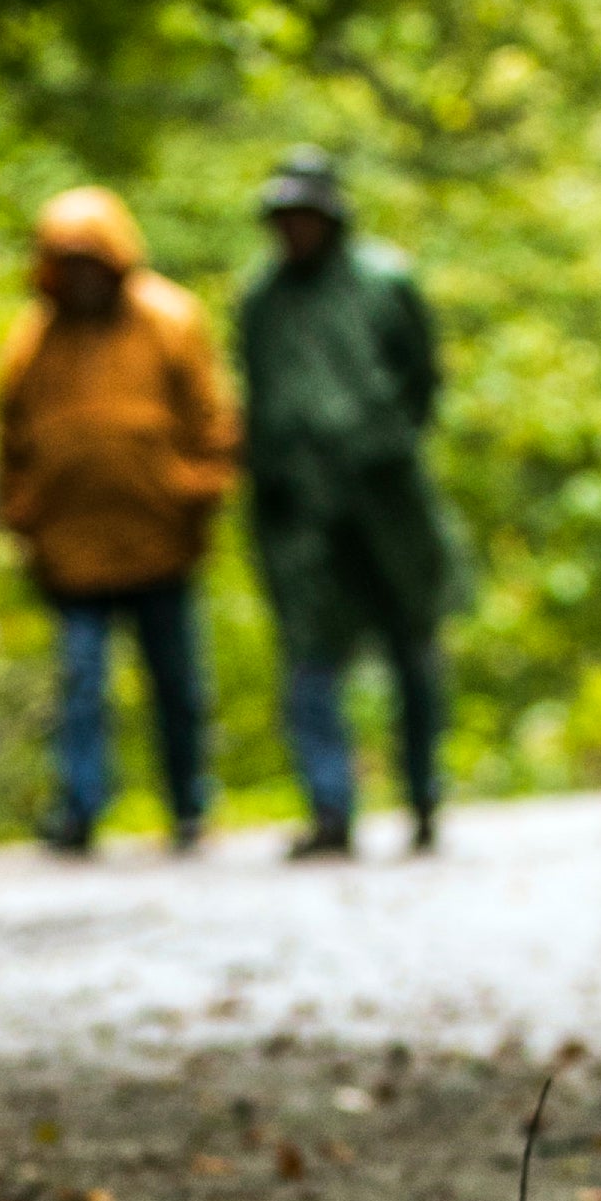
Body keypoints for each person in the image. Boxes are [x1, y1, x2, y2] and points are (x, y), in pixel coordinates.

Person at [0, 183, 240, 855]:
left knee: (177, 683)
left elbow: (214, 421)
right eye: (64, 261)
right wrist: (24, 518)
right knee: (80, 685)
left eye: (89, 259)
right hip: (72, 552)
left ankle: (189, 803)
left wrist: (195, 492)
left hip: (160, 539)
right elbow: (10, 444)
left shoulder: (170, 320)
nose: (78, 275)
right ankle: (79, 807)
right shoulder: (32, 344)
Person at [237, 148, 460, 858]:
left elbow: (422, 379)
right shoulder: (259, 299)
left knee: (411, 645)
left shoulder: (384, 280)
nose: (295, 230)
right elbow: (256, 392)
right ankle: (330, 809)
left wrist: (381, 438)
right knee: (310, 656)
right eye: (285, 218)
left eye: (307, 216)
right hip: (300, 506)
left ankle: (424, 795)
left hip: (384, 497)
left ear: (331, 217)